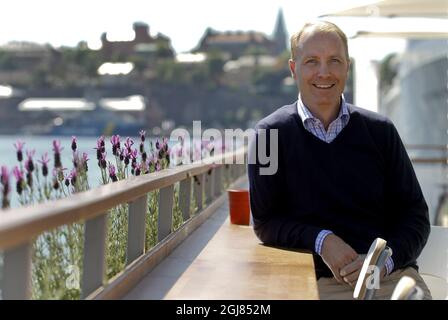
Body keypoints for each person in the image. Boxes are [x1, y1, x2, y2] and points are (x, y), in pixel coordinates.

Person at [247, 21, 432, 300]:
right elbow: (265, 222)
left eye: (334, 60)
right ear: (294, 69)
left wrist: (382, 264)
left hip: (389, 279)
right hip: (315, 283)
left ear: (347, 67)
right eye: (312, 61)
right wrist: (322, 241)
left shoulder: (381, 131)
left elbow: (415, 216)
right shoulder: (268, 135)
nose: (324, 72)